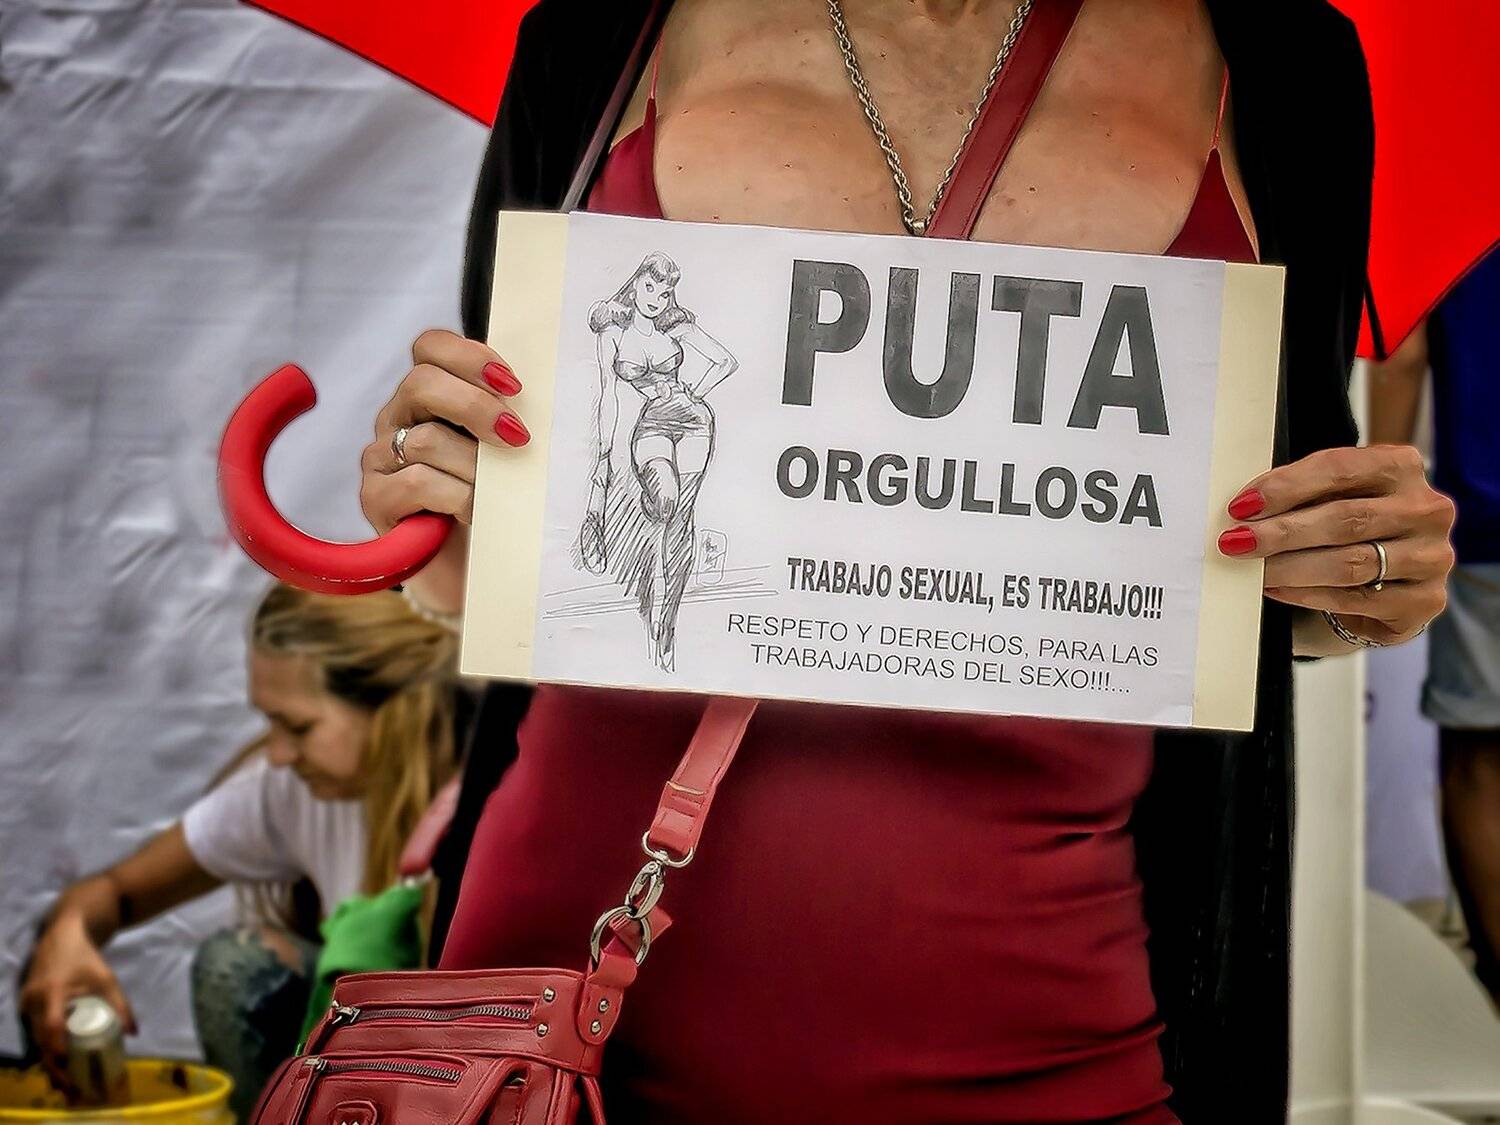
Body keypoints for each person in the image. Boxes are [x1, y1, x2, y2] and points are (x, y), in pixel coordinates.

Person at [356, 2, 1456, 1120]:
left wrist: (1362, 576)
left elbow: (1270, 568)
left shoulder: (1282, 69)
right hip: (575, 1012)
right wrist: (434, 506)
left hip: (1056, 1022)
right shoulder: (597, 38)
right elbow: (503, 547)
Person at [19, 584, 462, 1119]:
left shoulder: (488, 799)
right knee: (239, 967)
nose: (278, 754)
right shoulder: (290, 790)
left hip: (466, 1069)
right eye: (270, 723)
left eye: (298, 727)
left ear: (394, 707)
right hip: (356, 1069)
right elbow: (116, 891)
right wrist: (69, 935)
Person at [1368, 248, 1500, 1005]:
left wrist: (1374, 506)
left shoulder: (1460, 195)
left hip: (1487, 504)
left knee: (1482, 759)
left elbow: (1401, 348)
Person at [583, 251, 738, 670]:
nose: (655, 298)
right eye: (649, 287)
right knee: (665, 500)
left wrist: (694, 392)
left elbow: (726, 361)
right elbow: (609, 395)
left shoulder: (676, 328)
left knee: (681, 520)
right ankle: (645, 512)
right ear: (634, 285)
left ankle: (667, 623)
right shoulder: (612, 332)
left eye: (664, 292)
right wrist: (603, 457)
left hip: (695, 423)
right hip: (651, 423)